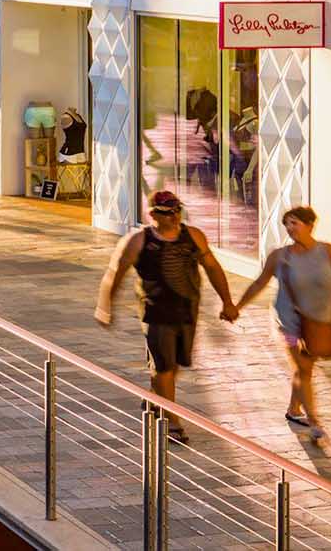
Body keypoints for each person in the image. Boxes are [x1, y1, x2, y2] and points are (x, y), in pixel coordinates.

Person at [95, 188, 239, 443]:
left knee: (174, 367)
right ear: (153, 215)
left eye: (177, 211)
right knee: (164, 368)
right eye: (167, 212)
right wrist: (105, 305)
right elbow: (115, 272)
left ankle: (154, 397)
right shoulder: (139, 240)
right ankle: (172, 422)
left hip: (187, 311)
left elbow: (213, 268)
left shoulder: (193, 237)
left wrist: (227, 301)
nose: (174, 216)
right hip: (156, 313)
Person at [231, 205, 331, 445]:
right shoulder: (280, 256)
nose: (290, 228)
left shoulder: (329, 252)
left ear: (310, 224)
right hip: (288, 322)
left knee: (304, 370)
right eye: (287, 224)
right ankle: (314, 422)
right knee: (303, 368)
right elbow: (259, 284)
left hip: (318, 321)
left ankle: (294, 409)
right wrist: (237, 307)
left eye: (295, 223)